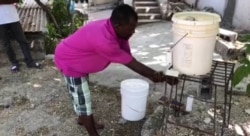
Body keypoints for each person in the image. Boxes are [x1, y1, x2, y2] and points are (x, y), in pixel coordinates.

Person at [54, 4, 178, 136]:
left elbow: (128, 57)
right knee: (83, 99)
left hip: (78, 58)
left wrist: (156, 75)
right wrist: (159, 76)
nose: (133, 32)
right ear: (118, 26)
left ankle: (82, 119)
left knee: (80, 95)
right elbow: (132, 64)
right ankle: (92, 132)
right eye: (131, 28)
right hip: (69, 62)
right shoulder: (105, 41)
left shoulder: (116, 30)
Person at [0, 0, 41, 72]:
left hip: (13, 18)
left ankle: (30, 62)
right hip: (1, 21)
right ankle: (14, 63)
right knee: (6, 44)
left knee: (23, 41)